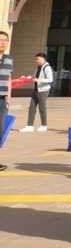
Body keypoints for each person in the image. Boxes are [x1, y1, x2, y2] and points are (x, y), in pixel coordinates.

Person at [19, 53, 54, 132]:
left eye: (37, 59)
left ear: (43, 59)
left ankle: (44, 125)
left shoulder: (47, 67)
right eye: (36, 59)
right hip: (36, 90)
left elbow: (50, 79)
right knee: (32, 107)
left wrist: (39, 80)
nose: (36, 61)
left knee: (42, 108)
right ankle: (29, 126)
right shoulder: (39, 67)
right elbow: (33, 76)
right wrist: (25, 78)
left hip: (43, 90)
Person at [0, 31, 13, 172]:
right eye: (0, 40)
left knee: (0, 130)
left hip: (2, 100)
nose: (2, 42)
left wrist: (8, 96)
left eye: (5, 40)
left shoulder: (9, 59)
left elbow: (9, 78)